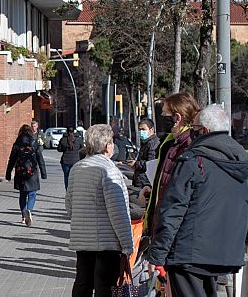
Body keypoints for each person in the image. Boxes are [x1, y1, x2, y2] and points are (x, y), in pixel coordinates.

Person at [147, 105, 248, 297]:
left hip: (188, 253)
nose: (192, 132)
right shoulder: (241, 161)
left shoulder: (193, 161)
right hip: (224, 253)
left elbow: (173, 210)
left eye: (195, 128)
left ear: (205, 131)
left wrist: (157, 254)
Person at [66, 124, 134, 297]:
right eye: (111, 142)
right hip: (106, 242)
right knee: (105, 286)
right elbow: (118, 212)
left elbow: (69, 205)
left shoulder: (77, 168)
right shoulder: (109, 170)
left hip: (82, 239)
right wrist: (127, 245)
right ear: (106, 145)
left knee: (83, 283)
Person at [144, 92, 200, 233]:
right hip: (162, 223)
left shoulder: (189, 145)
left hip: (174, 230)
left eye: (164, 114)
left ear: (177, 118)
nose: (161, 118)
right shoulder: (170, 142)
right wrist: (153, 191)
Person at [5, 124, 48, 226]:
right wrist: (43, 173)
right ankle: (29, 210)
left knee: (22, 195)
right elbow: (40, 159)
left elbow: (12, 160)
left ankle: (24, 216)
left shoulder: (17, 144)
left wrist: (8, 173)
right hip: (32, 172)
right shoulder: (34, 143)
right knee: (32, 194)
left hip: (20, 172)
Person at [126, 118, 160, 188]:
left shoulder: (153, 143)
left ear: (152, 130)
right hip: (141, 180)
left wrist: (136, 164)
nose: (141, 132)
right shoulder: (146, 142)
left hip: (145, 183)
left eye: (143, 129)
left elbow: (151, 163)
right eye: (139, 129)